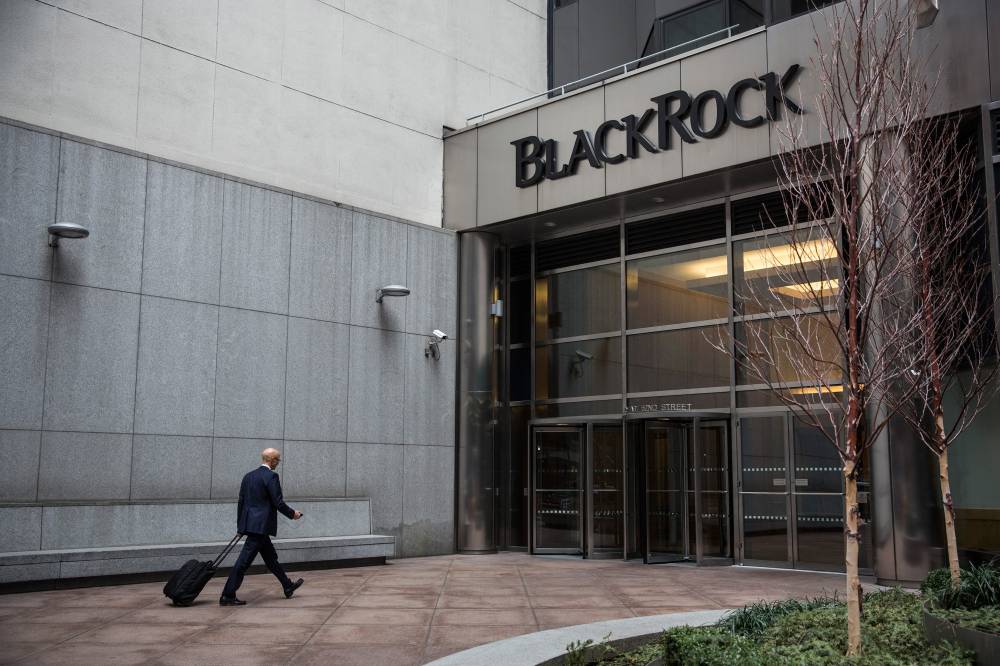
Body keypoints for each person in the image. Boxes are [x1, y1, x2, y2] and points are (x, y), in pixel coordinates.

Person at [220, 448, 304, 606]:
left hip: (252, 526)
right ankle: (227, 595)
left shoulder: (248, 476)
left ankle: (287, 586)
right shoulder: (271, 476)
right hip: (261, 527)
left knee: (271, 559)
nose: (278, 463)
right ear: (272, 460)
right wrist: (293, 514)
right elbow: (277, 502)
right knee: (243, 562)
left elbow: (241, 502)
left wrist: (241, 526)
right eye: (278, 460)